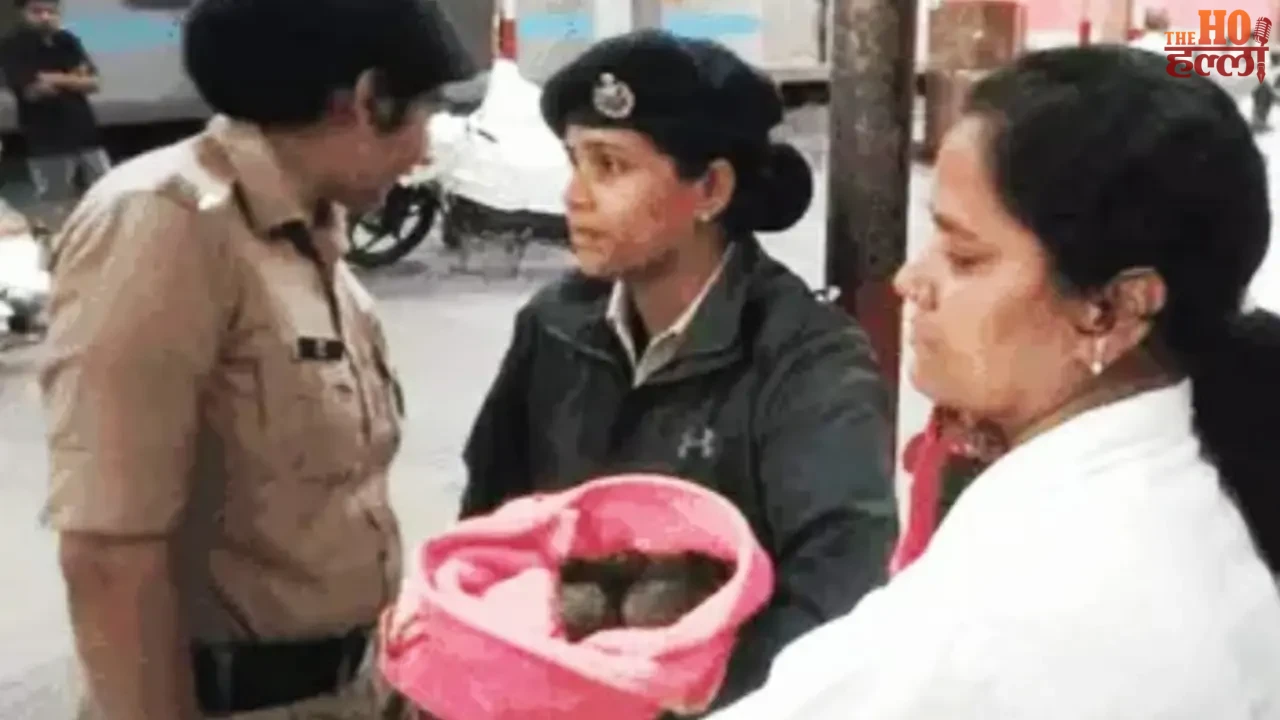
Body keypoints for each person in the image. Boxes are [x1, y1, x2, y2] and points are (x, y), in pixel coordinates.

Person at [706, 45, 1280, 720]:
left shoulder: (1012, 611)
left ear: (1114, 310)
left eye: (964, 256)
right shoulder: (1195, 469)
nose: (910, 280)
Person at [38, 0, 473, 717]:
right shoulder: (166, 223)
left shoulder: (311, 231)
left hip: (351, 687)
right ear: (368, 100)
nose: (424, 151)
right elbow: (109, 552)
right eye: (426, 112)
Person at [459, 29, 898, 713]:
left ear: (711, 188)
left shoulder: (805, 358)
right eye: (574, 162)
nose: (574, 195)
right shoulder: (553, 326)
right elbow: (491, 527)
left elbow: (835, 595)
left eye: (610, 166)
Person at [1, 0, 110, 230]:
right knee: (55, 203)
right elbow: (33, 91)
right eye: (37, 12)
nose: (45, 17)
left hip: (85, 132)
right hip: (47, 138)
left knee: (105, 193)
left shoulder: (67, 40)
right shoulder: (13, 45)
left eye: (50, 11)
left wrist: (53, 78)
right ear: (23, 13)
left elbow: (94, 83)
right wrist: (74, 79)